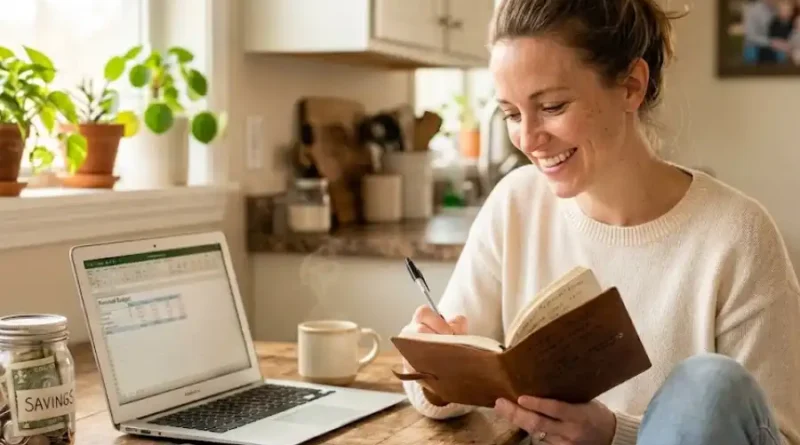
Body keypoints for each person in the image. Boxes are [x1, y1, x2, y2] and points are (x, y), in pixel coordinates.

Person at [398, 0, 800, 444]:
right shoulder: (515, 203)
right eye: (512, 114)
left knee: (709, 386)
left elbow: (779, 434)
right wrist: (433, 363)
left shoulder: (738, 235)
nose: (528, 139)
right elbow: (443, 393)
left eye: (551, 106)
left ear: (631, 87)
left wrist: (615, 434)